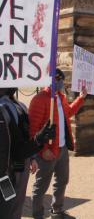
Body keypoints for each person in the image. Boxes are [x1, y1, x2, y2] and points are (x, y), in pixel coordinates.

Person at [29, 68, 87, 219]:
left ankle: (57, 211)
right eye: (57, 79)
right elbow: (33, 128)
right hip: (47, 151)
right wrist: (43, 149)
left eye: (61, 79)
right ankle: (37, 215)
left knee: (62, 181)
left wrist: (80, 98)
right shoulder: (40, 99)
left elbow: (67, 113)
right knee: (41, 186)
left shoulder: (60, 97)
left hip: (62, 148)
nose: (60, 82)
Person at [0, 88, 56, 219]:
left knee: (10, 210)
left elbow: (18, 151)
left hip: (5, 180)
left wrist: (38, 140)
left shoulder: (4, 112)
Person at [0, 89, 39, 219]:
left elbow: (27, 133)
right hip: (7, 165)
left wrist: (32, 157)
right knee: (7, 200)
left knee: (19, 200)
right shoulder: (2, 107)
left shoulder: (20, 105)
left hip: (23, 158)